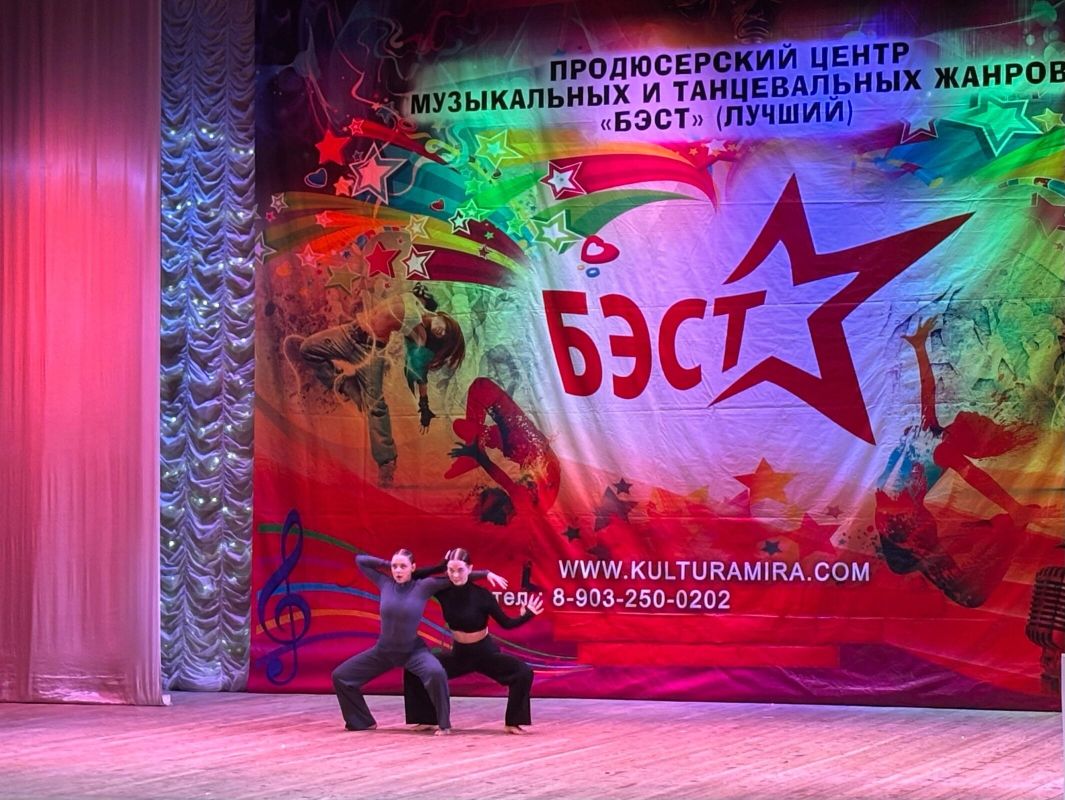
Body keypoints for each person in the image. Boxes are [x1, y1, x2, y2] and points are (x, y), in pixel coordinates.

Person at [875, 316, 1038, 607]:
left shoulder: (944, 449)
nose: (973, 414)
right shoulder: (930, 427)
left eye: (978, 421)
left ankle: (1006, 533)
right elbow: (928, 387)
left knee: (969, 595)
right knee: (901, 566)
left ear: (970, 436)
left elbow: (978, 479)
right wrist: (920, 347)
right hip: (897, 524)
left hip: (905, 527)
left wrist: (1015, 509)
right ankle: (993, 532)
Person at [285, 286, 465, 487]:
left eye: (442, 336)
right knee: (308, 349)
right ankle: (345, 384)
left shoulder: (419, 333)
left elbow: (418, 367)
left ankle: (386, 462)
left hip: (370, 352)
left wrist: (424, 403)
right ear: (443, 317)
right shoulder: (420, 302)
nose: (441, 331)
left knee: (376, 406)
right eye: (445, 328)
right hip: (350, 333)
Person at [332, 548, 504, 734]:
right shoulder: (385, 582)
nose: (398, 571)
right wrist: (388, 564)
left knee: (436, 673)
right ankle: (362, 721)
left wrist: (485, 574)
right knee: (341, 677)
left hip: (413, 652)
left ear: (413, 568)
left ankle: (444, 724)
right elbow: (360, 560)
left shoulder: (424, 586)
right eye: (395, 567)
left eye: (403, 566)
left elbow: (457, 578)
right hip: (383, 652)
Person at [402, 547, 544, 734]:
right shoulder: (442, 591)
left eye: (460, 570)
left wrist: (528, 615)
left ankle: (513, 722)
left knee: (523, 672)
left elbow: (507, 624)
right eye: (451, 570)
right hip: (459, 654)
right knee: (414, 668)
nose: (455, 575)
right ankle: (427, 719)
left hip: (485, 653)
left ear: (470, 568)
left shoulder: (483, 595)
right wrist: (440, 566)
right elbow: (412, 578)